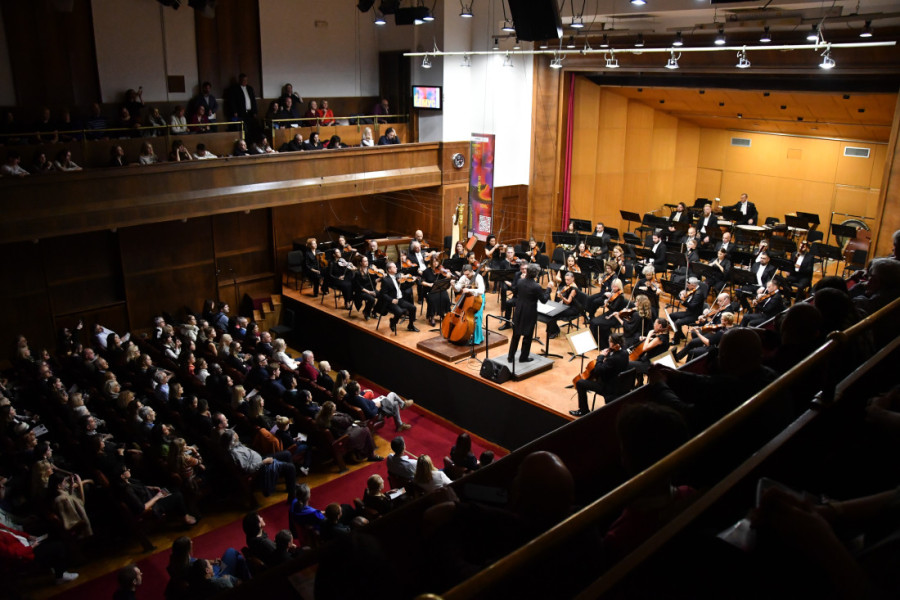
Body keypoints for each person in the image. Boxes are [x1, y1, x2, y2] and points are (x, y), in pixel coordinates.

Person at [221, 429, 297, 498]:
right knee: (291, 467)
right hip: (261, 467)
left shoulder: (234, 445)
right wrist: (264, 462)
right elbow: (249, 469)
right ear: (232, 441)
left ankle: (291, 485)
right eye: (235, 435)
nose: (237, 435)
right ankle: (292, 496)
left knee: (287, 454)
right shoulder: (236, 454)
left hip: (260, 459)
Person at [571, 333, 630, 417]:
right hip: (619, 383)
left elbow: (598, 370)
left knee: (580, 383)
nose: (608, 343)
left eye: (610, 341)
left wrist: (601, 356)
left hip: (608, 387)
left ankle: (583, 410)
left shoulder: (613, 359)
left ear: (614, 344)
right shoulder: (624, 353)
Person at [507, 263, 552, 363]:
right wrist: (548, 289)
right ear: (536, 274)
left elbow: (515, 290)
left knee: (516, 335)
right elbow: (544, 300)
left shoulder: (520, 281)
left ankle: (510, 357)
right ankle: (523, 358)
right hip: (530, 313)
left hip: (519, 311)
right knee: (527, 337)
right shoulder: (536, 286)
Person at [314, 401, 382, 461]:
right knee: (365, 429)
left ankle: (361, 453)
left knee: (361, 426)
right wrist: (339, 414)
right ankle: (371, 455)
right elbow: (349, 420)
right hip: (343, 437)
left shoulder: (319, 417)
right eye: (334, 409)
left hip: (337, 435)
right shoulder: (336, 419)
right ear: (331, 411)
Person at [345, 380, 414, 431]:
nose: (361, 389)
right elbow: (371, 414)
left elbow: (357, 396)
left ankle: (399, 425)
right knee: (392, 394)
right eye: (360, 388)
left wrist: (363, 392)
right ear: (356, 392)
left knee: (395, 403)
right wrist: (377, 405)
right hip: (377, 413)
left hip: (372, 405)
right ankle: (403, 405)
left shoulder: (348, 396)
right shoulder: (360, 401)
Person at [380, 261, 418, 333]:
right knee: (400, 312)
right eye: (394, 267)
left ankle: (410, 325)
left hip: (400, 299)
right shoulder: (385, 280)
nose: (396, 268)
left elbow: (404, 287)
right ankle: (393, 321)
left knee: (413, 308)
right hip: (391, 302)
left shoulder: (397, 278)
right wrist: (392, 300)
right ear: (389, 270)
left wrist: (412, 281)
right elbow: (383, 294)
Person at [453, 263, 486, 343]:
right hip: (468, 298)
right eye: (465, 274)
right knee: (466, 316)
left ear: (472, 271)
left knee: (476, 316)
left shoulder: (478, 277)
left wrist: (469, 290)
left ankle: (478, 339)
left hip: (478, 299)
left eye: (468, 274)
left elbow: (481, 291)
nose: (466, 276)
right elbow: (457, 288)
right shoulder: (464, 277)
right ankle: (466, 334)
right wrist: (453, 285)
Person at [670, 277, 709, 344]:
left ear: (693, 285)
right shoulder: (694, 290)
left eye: (688, 284)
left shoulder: (698, 294)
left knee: (678, 323)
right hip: (689, 312)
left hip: (694, 315)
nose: (686, 286)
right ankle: (681, 335)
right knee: (671, 316)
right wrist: (683, 295)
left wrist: (683, 300)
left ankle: (676, 341)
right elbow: (688, 302)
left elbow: (691, 306)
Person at [546, 270, 580, 340]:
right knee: (551, 311)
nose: (566, 281)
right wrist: (561, 300)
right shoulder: (568, 286)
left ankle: (555, 331)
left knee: (554, 314)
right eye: (565, 280)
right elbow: (566, 297)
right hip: (566, 306)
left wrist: (561, 297)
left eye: (568, 280)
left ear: (573, 279)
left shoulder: (574, 289)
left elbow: (568, 302)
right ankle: (553, 329)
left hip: (573, 309)